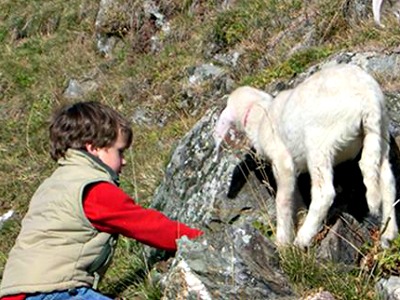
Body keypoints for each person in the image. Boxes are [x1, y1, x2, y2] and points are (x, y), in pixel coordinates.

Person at [0, 101, 203, 300]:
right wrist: (198, 239)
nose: (124, 161)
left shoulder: (52, 185)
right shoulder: (93, 188)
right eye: (120, 151)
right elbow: (147, 226)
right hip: (52, 292)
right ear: (94, 148)